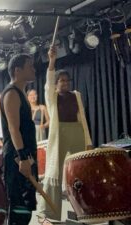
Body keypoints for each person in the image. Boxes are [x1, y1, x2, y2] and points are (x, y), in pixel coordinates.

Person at [37, 46, 92, 223]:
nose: (64, 83)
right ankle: (51, 212)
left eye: (66, 80)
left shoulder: (76, 95)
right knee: (54, 172)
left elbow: (82, 119)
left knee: (80, 170)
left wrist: (88, 140)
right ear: (57, 83)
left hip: (76, 131)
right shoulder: (51, 97)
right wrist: (52, 61)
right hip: (59, 134)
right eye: (61, 81)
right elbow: (48, 81)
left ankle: (85, 208)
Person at [0, 53, 38, 225]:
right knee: (18, 207)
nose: (34, 69)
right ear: (17, 70)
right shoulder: (11, 93)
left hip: (25, 155)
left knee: (26, 206)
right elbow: (13, 129)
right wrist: (23, 158)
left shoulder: (20, 93)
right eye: (30, 66)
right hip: (17, 158)